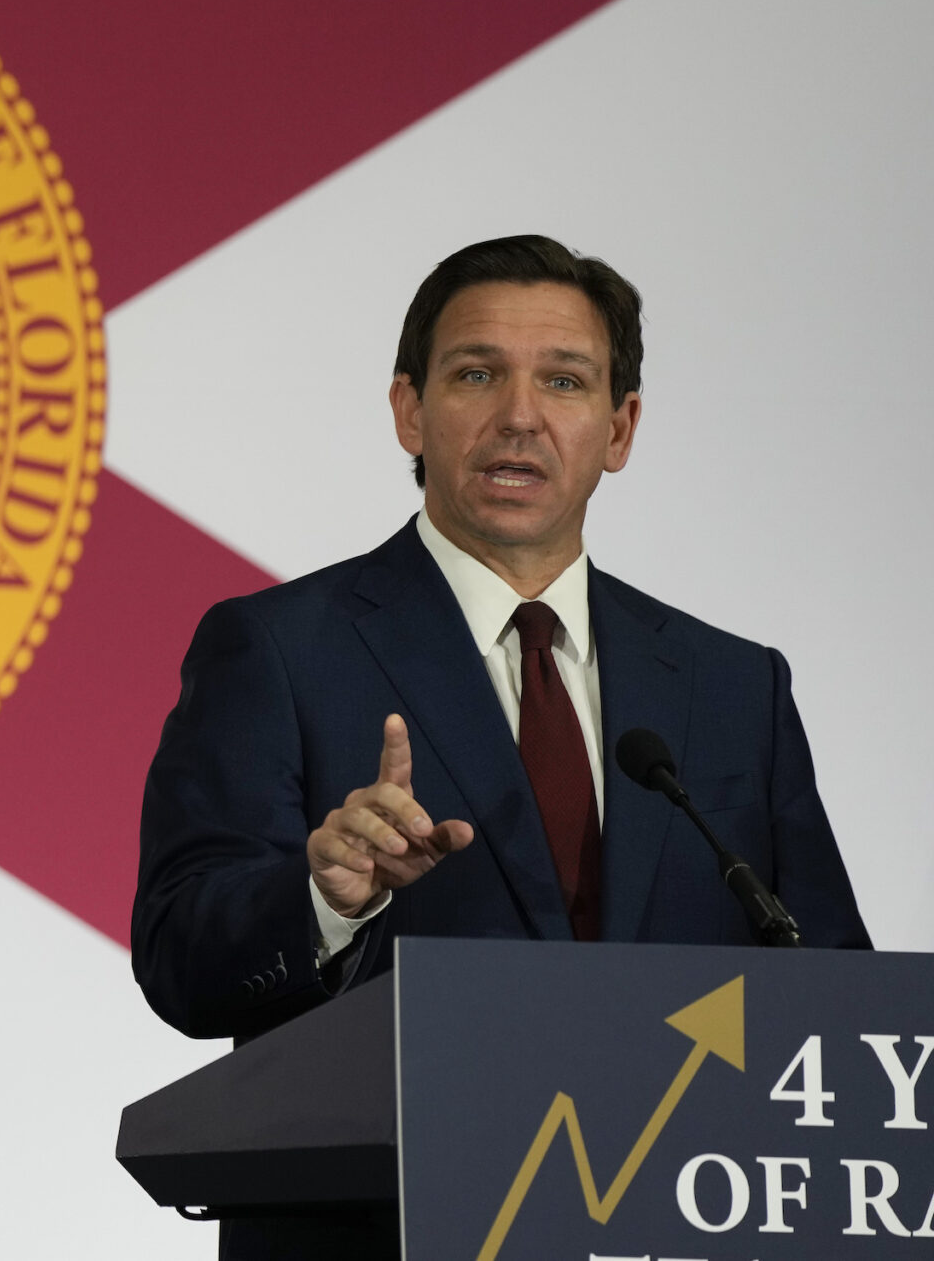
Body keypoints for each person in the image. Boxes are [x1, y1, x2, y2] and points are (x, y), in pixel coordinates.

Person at [131, 235, 868, 1260]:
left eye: (563, 381)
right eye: (476, 373)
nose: (518, 415)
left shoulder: (733, 684)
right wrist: (324, 898)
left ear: (619, 429)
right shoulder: (276, 649)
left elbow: (831, 992)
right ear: (408, 411)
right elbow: (179, 957)